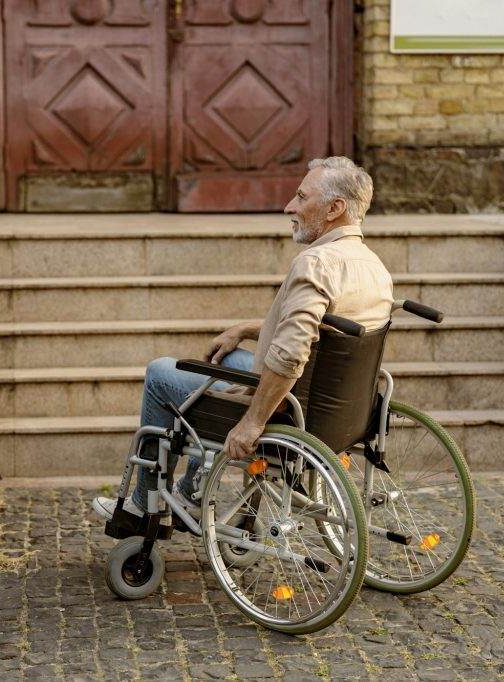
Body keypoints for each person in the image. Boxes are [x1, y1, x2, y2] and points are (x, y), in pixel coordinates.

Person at [92, 156, 394, 521]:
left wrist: (252, 422)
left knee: (161, 373)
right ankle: (191, 489)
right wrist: (249, 330)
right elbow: (323, 329)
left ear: (334, 208)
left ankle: (143, 506)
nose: (289, 207)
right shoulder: (373, 266)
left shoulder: (316, 263)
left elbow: (290, 354)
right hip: (339, 410)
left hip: (289, 411)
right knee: (227, 362)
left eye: (301, 197)